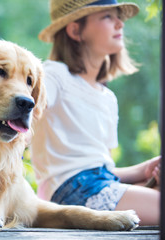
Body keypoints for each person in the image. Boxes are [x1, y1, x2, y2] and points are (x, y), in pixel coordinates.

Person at [31, 0, 160, 226]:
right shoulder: (55, 75)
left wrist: (144, 169)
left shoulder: (107, 98)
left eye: (118, 17)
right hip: (70, 191)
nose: (120, 23)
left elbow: (103, 169)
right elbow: (25, 118)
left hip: (98, 185)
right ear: (75, 30)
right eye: (107, 17)